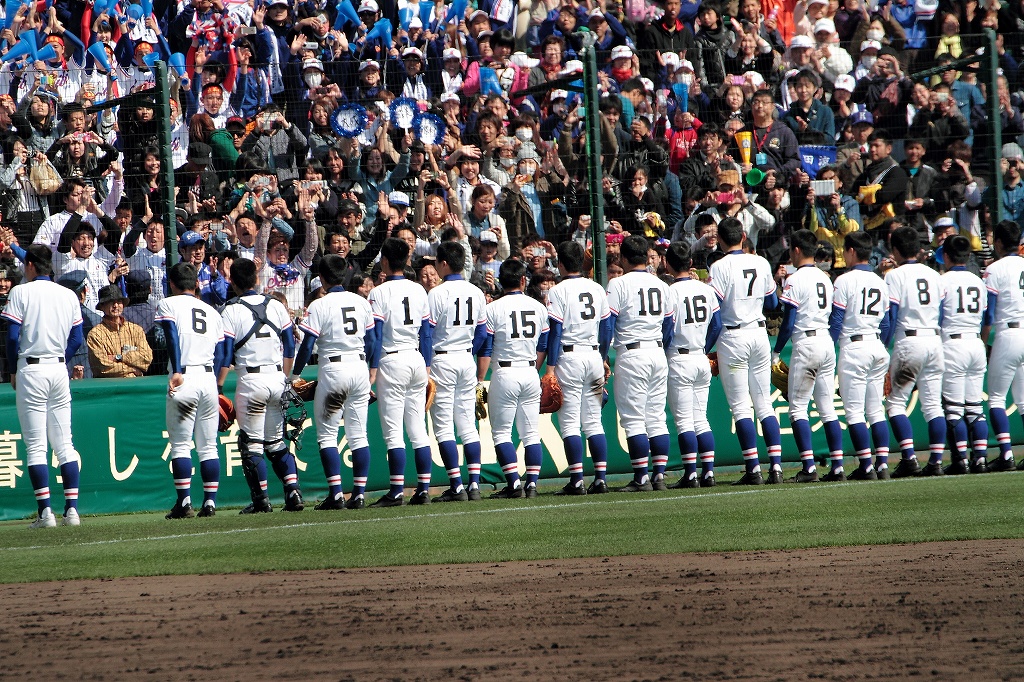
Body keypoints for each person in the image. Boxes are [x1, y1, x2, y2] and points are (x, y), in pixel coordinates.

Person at [1, 244, 84, 527]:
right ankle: (72, 511)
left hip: (31, 369)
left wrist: (12, 369)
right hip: (59, 369)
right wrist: (60, 359)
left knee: (36, 447)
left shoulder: (20, 292)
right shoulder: (68, 294)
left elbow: (12, 338)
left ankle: (45, 513)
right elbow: (76, 339)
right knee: (65, 444)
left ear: (32, 266)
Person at [292, 255, 378, 510]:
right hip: (359, 366)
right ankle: (360, 494)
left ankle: (337, 494)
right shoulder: (361, 302)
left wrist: (295, 375)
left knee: (328, 435)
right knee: (359, 435)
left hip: (333, 368)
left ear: (322, 278)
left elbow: (308, 344)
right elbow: (373, 342)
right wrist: (370, 369)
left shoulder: (320, 305)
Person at [219, 258, 303, 514]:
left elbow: (224, 354)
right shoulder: (276, 305)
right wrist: (286, 378)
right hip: (277, 378)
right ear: (257, 280)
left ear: (232, 282)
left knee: (252, 444)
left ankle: (261, 500)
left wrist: (219, 386)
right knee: (276, 442)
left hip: (251, 380)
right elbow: (290, 344)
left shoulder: (230, 309)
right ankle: (294, 492)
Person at [709, 217, 783, 485]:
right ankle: (776, 467)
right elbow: (773, 301)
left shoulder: (719, 267)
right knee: (764, 403)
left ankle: (754, 469)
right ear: (742, 235)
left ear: (719, 239)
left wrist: (707, 347)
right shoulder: (760, 261)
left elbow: (714, 312)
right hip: (759, 333)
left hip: (733, 336)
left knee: (741, 407)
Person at [773, 230, 845, 481]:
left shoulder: (796, 278)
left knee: (797, 409)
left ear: (796, 251)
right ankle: (837, 466)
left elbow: (789, 320)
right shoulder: (825, 278)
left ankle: (809, 468)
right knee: (827, 410)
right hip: (825, 341)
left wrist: (776, 350)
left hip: (806, 342)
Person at [157, 262, 227, 519]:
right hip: (208, 378)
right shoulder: (212, 311)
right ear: (196, 283)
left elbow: (172, 337)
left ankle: (184, 502)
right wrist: (217, 385)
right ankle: (210, 503)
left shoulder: (169, 304)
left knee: (181, 445)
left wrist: (176, 370)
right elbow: (221, 353)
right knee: (209, 446)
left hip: (183, 376)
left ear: (172, 284)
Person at [367, 237, 433, 507]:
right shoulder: (419, 290)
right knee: (418, 428)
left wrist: (371, 371)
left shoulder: (379, 292)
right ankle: (424, 489)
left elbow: (375, 336)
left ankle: (396, 491)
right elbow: (427, 334)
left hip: (391, 360)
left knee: (394, 432)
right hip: (416, 358)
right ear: (407, 259)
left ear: (384, 261)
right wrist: (427, 367)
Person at [477, 258, 549, 498]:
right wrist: (536, 369)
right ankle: (532, 484)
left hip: (505, 372)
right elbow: (545, 343)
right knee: (530, 433)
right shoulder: (538, 307)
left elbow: (485, 347)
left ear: (500, 281)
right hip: (529, 370)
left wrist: (479, 379)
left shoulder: (493, 308)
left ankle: (513, 484)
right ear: (522, 280)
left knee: (501, 433)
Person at [545, 240, 613, 495]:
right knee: (594, 422)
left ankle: (576, 481)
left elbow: (555, 331)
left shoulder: (558, 290)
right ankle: (601, 478)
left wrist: (550, 368)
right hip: (594, 356)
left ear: (561, 263)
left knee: (571, 424)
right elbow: (607, 329)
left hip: (570, 358)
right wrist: (604, 357)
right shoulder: (597, 288)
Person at [606, 234, 671, 492]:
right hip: (657, 351)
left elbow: (608, 324)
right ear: (647, 257)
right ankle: (659, 476)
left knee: (633, 420)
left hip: (632, 353)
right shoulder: (661, 285)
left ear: (623, 257)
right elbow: (669, 326)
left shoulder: (618, 284)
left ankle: (642, 477)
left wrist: (602, 355)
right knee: (656, 418)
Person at [880, 226, 945, 478]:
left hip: (910, 340)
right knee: (933, 406)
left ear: (894, 250)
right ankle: (936, 461)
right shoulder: (933, 274)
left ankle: (909, 458)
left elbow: (892, 316)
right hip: (934, 339)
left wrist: (884, 347)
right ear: (918, 248)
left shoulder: (894, 276)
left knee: (895, 403)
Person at [427, 241, 488, 502]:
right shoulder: (476, 291)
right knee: (467, 425)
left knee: (443, 428)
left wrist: (427, 364)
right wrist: (468, 352)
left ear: (443, 263)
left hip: (442, 360)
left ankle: (457, 486)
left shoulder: (436, 293)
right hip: (466, 359)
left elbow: (427, 335)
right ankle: (474, 484)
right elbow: (483, 334)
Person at [830, 231, 892, 480]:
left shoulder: (844, 280)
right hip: (877, 345)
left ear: (852, 251)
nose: (843, 254)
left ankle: (866, 466)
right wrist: (882, 347)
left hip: (855, 347)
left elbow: (836, 321)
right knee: (876, 410)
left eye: (845, 250)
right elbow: (887, 324)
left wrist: (829, 345)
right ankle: (883, 465)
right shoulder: (880, 281)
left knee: (855, 412)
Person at [663, 241, 721, 488]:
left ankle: (690, 474)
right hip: (700, 356)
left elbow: (666, 329)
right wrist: (704, 349)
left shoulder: (669, 292)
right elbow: (717, 325)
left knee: (685, 421)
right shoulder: (706, 289)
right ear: (690, 263)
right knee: (701, 419)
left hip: (679, 356)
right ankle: (708, 472)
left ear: (667, 264)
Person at [938, 235, 989, 475]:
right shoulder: (978, 280)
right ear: (968, 255)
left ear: (946, 256)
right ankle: (980, 458)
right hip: (975, 342)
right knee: (975, 407)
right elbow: (988, 319)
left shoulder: (943, 280)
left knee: (954, 409)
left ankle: (961, 460)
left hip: (953, 344)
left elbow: (937, 318)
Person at [981, 220, 1024, 472]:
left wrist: (983, 340)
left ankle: (1006, 454)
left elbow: (989, 313)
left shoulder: (994, 268)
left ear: (997, 242)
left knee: (996, 398)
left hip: (1008, 333)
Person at [86, 284, 153, 378]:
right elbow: (102, 367)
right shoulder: (95, 334)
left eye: (119, 301)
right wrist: (132, 369)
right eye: (111, 302)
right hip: (109, 387)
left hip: (135, 385)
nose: (115, 305)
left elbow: (146, 357)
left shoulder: (136, 330)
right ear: (102, 306)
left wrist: (119, 357)